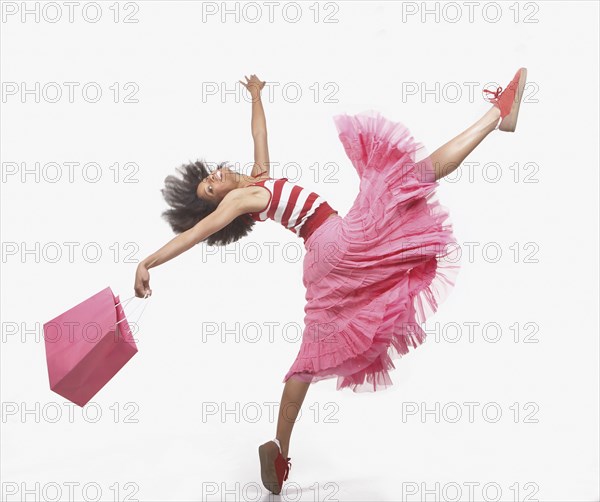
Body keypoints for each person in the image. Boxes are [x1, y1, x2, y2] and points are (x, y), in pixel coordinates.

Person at [133, 69, 528, 494]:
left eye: (209, 177)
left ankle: (280, 453)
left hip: (322, 258)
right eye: (209, 190)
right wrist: (150, 261)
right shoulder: (239, 198)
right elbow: (199, 232)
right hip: (334, 238)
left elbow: (259, 136)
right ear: (218, 200)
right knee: (409, 179)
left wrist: (255, 96)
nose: (214, 181)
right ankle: (495, 116)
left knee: (311, 351)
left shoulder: (259, 178)